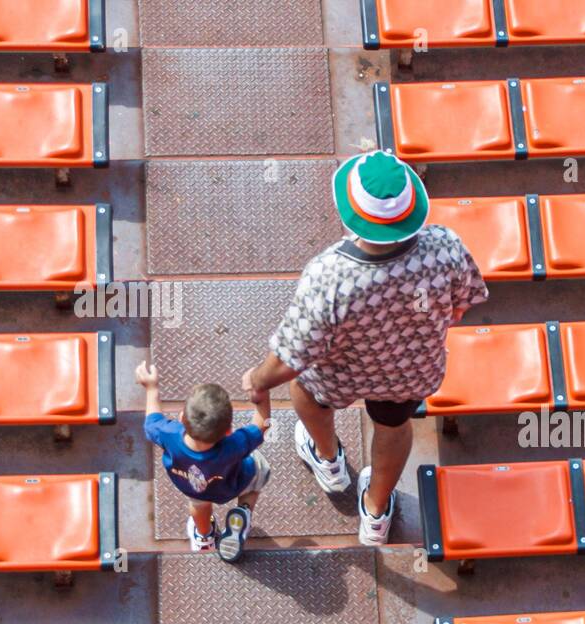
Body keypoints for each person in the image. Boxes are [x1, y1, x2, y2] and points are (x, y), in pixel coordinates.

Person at [242, 150, 488, 547]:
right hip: (410, 370)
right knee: (393, 426)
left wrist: (257, 380)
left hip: (338, 372)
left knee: (306, 392)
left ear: (351, 214)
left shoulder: (330, 276)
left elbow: (291, 359)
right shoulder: (446, 245)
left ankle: (328, 461)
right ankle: (375, 512)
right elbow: (461, 306)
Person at [138, 361, 271, 562]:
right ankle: (241, 512)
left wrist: (151, 388)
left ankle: (204, 536)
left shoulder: (169, 434)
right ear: (228, 431)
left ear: (182, 418)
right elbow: (262, 425)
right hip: (233, 483)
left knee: (198, 505)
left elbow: (152, 421)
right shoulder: (234, 445)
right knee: (259, 469)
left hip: (193, 487)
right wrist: (261, 393)